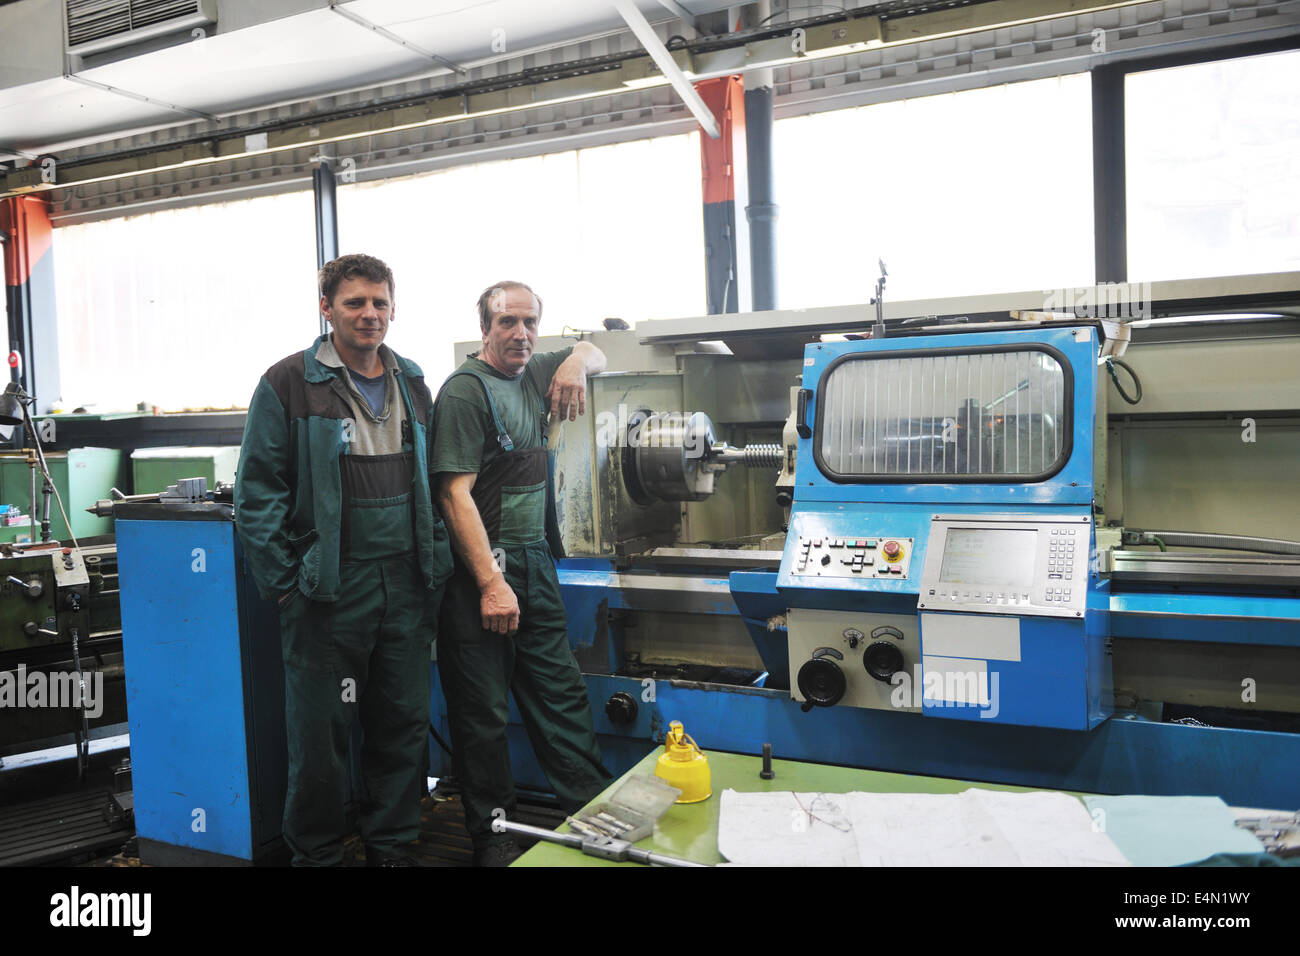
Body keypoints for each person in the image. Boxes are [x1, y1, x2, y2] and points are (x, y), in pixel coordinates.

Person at [234, 253, 454, 867]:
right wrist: (286, 585)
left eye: (380, 303)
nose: (369, 314)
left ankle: (393, 844)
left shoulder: (412, 381)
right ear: (326, 308)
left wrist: (433, 568)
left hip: (406, 584)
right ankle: (320, 854)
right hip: (328, 587)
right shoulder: (288, 383)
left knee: (401, 721)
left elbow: (432, 484)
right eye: (355, 302)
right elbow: (257, 494)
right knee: (322, 734)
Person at [432, 280, 612, 867]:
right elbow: (454, 494)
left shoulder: (535, 372)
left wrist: (578, 362)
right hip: (484, 569)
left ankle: (591, 814)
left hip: (534, 561)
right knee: (482, 713)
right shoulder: (465, 393)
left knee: (559, 695)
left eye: (530, 322)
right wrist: (490, 582)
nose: (520, 333)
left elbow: (598, 350)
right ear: (484, 327)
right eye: (507, 322)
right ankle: (492, 833)